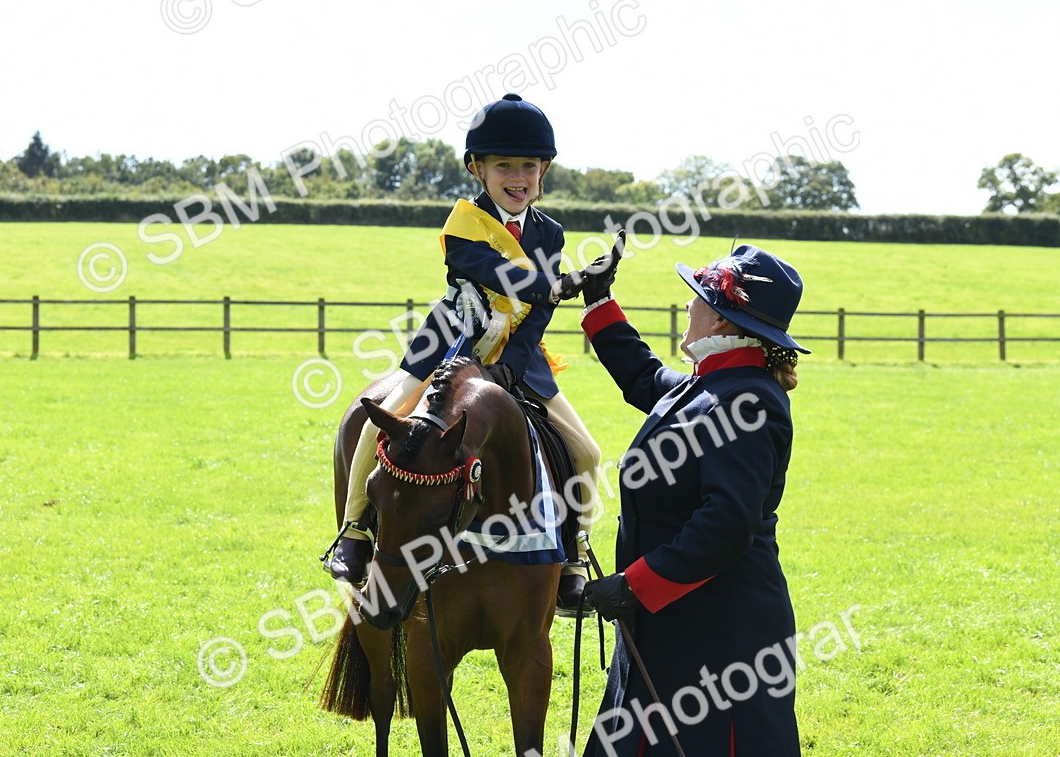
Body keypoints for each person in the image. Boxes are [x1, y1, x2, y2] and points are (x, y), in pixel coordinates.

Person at [326, 93, 602, 612]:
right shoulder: (464, 224)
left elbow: (538, 313)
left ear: (544, 171)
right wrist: (558, 284)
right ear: (477, 168)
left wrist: (512, 365)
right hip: (450, 338)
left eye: (528, 166)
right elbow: (489, 272)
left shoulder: (551, 233)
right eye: (504, 166)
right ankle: (355, 530)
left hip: (519, 354)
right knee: (376, 422)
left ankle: (571, 559)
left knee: (587, 452)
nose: (517, 176)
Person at [579, 244, 808, 755]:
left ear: (724, 323)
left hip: (721, 641)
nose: (688, 305)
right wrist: (599, 303)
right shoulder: (713, 383)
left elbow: (726, 523)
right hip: (674, 624)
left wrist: (632, 586)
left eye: (699, 298)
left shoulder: (747, 400)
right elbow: (644, 377)